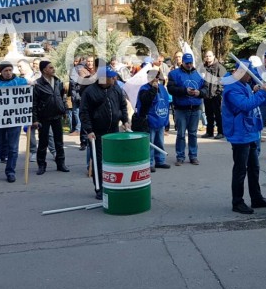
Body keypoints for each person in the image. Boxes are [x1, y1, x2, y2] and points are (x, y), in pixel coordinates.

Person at [222, 60, 266, 214]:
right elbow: (245, 105)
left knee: (254, 168)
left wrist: (264, 97)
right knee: (240, 169)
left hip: (249, 131)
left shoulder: (243, 84)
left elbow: (252, 102)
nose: (251, 78)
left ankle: (256, 198)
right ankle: (237, 202)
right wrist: (262, 93)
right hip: (239, 134)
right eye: (249, 74)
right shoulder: (232, 88)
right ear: (241, 73)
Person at [79, 65, 128, 200]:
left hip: (114, 130)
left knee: (114, 160)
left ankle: (115, 184)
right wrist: (89, 130)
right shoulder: (90, 92)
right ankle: (100, 188)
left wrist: (125, 120)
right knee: (99, 162)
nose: (114, 79)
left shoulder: (116, 88)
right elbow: (84, 113)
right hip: (97, 132)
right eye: (111, 77)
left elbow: (123, 105)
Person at [167, 53, 206, 166]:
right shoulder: (174, 74)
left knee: (193, 134)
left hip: (195, 108)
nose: (189, 65)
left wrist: (199, 93)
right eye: (187, 63)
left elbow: (205, 89)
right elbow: (171, 89)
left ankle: (193, 156)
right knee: (181, 134)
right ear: (182, 62)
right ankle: (180, 156)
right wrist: (185, 91)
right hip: (181, 109)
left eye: (191, 63)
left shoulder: (199, 74)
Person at [32, 60, 69, 175]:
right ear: (44, 70)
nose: (53, 69)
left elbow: (61, 97)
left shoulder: (58, 81)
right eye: (51, 68)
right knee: (43, 142)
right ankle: (41, 165)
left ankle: (61, 163)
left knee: (59, 142)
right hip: (44, 116)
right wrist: (35, 119)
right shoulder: (38, 84)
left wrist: (64, 110)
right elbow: (34, 103)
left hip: (57, 115)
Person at [135, 68, 170, 172]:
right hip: (149, 120)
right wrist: (153, 89)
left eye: (156, 77)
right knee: (150, 144)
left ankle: (160, 161)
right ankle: (149, 163)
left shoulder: (162, 88)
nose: (155, 79)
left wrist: (166, 120)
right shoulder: (144, 89)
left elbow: (166, 103)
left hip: (160, 119)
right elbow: (145, 101)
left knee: (160, 142)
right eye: (153, 77)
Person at [201, 51, 226, 139]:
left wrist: (219, 92)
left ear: (213, 56)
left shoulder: (219, 67)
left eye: (210, 56)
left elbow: (223, 81)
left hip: (216, 95)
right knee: (208, 114)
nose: (208, 57)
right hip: (206, 95)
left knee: (218, 114)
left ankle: (221, 132)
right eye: (206, 56)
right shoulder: (204, 68)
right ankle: (209, 132)